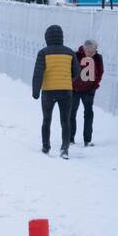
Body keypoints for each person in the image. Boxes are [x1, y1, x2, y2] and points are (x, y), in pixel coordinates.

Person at [32, 24, 80, 159]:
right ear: (61, 37)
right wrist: (66, 79)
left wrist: (36, 92)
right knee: (65, 121)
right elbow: (76, 72)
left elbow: (38, 73)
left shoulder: (43, 53)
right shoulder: (70, 52)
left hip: (48, 91)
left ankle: (46, 146)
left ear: (47, 38)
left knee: (47, 119)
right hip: (66, 91)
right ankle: (65, 148)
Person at [71, 39, 103, 147]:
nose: (90, 53)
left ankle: (87, 140)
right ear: (84, 48)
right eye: (88, 51)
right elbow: (70, 71)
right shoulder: (75, 55)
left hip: (89, 90)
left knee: (89, 113)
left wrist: (94, 86)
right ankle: (70, 138)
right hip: (74, 89)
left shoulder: (98, 58)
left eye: (93, 51)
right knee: (71, 113)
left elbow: (100, 72)